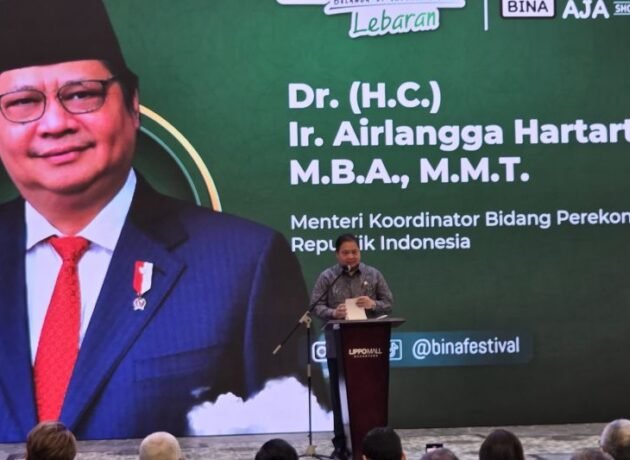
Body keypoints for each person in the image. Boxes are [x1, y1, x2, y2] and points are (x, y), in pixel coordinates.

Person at [0, 0, 313, 442]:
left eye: (81, 94)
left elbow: (291, 444)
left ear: (133, 104)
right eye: (22, 102)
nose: (55, 123)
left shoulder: (246, 266)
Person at [310, 233, 394, 459]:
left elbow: (388, 303)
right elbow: (315, 306)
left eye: (354, 252)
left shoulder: (373, 274)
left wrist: (373, 304)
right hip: (338, 345)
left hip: (370, 347)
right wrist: (333, 313)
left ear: (360, 252)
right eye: (345, 252)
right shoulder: (328, 277)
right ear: (337, 254)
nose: (350, 256)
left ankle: (376, 443)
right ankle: (341, 445)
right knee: (340, 395)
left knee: (370, 393)